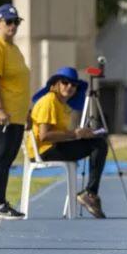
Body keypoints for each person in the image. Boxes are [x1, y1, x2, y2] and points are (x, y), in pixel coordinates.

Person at [27, 67, 107, 218]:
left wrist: (80, 134)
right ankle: (90, 194)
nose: (69, 87)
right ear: (56, 84)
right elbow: (44, 136)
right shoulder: (49, 101)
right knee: (99, 145)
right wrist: (74, 134)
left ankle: (89, 193)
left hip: (52, 147)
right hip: (45, 150)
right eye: (65, 82)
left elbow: (60, 134)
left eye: (74, 85)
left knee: (96, 141)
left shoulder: (61, 105)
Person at [0, 4, 31, 219]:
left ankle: (2, 202)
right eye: (8, 22)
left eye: (15, 22)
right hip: (1, 114)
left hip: (17, 115)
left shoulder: (14, 48)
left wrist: (26, 112)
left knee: (9, 157)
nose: (12, 26)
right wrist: (1, 108)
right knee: (1, 156)